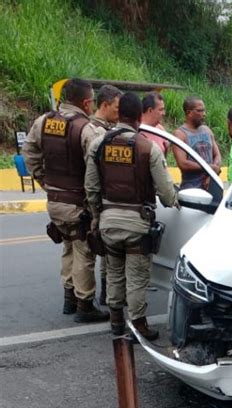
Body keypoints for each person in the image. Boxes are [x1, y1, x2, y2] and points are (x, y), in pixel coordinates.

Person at [85, 92, 179, 340]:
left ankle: (116, 322)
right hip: (137, 224)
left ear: (119, 114)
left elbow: (91, 188)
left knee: (114, 272)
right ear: (139, 116)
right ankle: (139, 325)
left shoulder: (99, 145)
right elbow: (167, 193)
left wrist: (97, 217)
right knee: (137, 277)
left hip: (108, 222)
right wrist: (176, 201)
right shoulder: (148, 148)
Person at [22, 78, 109, 322]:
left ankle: (69, 299)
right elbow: (98, 170)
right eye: (91, 101)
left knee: (69, 246)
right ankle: (85, 304)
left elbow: (29, 154)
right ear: (86, 101)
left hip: (55, 199)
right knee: (84, 249)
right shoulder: (87, 129)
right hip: (78, 203)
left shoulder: (43, 121)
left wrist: (45, 182)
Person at [90, 84, 122, 305]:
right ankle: (106, 297)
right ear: (105, 104)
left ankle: (100, 295)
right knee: (101, 254)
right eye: (116, 107)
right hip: (99, 200)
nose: (118, 112)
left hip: (98, 200)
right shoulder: (97, 133)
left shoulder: (99, 130)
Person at [174, 97, 221, 189]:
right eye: (199, 111)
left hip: (212, 186)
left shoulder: (207, 130)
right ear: (189, 113)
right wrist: (209, 168)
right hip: (191, 189)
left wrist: (211, 175)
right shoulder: (180, 134)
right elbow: (183, 163)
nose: (204, 114)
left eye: (204, 111)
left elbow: (217, 155)